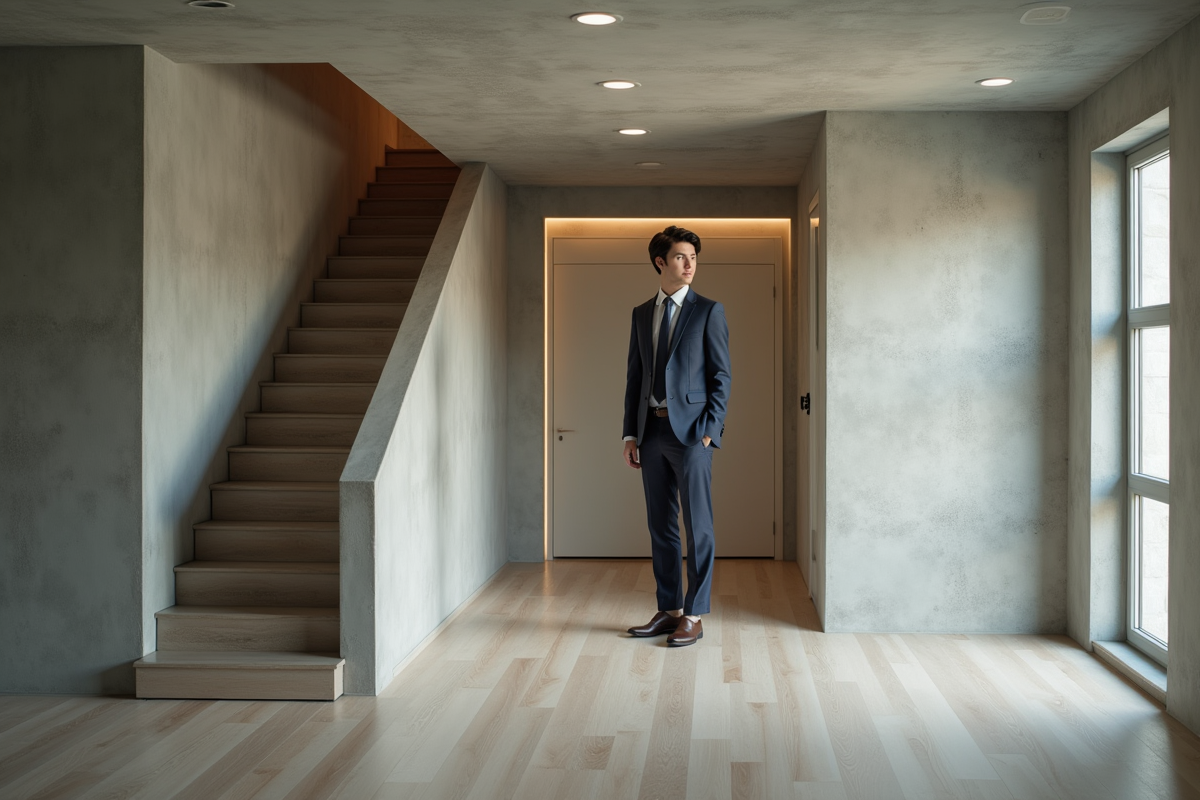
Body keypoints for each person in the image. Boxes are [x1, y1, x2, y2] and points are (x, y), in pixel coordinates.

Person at [622, 225, 731, 647]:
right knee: (661, 525)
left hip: (691, 436)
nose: (689, 265)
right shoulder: (640, 313)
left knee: (698, 526)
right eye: (681, 257)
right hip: (651, 432)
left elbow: (721, 375)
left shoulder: (708, 311)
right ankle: (669, 610)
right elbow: (635, 376)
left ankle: (696, 614)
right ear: (660, 262)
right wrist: (630, 433)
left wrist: (709, 432)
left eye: (693, 258)